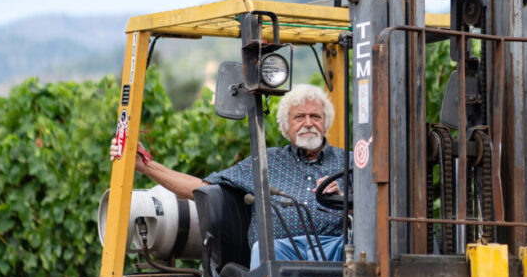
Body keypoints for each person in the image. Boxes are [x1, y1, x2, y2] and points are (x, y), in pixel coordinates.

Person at [111, 83, 350, 265]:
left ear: (326, 123)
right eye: (299, 117)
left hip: (334, 253)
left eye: (315, 116)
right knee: (266, 250)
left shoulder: (348, 162)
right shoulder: (266, 161)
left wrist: (343, 199)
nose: (308, 123)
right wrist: (145, 165)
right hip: (281, 255)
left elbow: (372, 211)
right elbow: (201, 187)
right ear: (286, 127)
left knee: (361, 247)